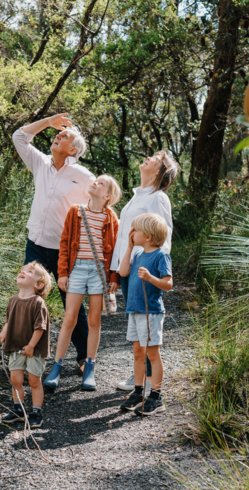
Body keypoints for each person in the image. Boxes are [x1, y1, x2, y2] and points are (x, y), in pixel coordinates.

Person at [12, 114, 95, 373]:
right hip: (35, 244)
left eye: (65, 136)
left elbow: (100, 203)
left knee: (72, 303)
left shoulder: (82, 176)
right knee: (28, 300)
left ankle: (84, 358)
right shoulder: (41, 163)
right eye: (58, 133)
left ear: (73, 150)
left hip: (64, 251)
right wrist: (48, 122)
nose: (57, 135)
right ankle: (27, 355)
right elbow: (20, 137)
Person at [43, 175, 121, 391]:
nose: (95, 182)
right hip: (76, 269)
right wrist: (63, 273)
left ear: (108, 196)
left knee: (95, 320)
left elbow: (115, 250)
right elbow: (65, 242)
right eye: (96, 179)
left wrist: (114, 277)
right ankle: (56, 367)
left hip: (99, 272)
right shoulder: (76, 211)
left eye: (102, 182)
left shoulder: (111, 217)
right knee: (70, 318)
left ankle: (89, 368)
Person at [110, 151, 178, 392]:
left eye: (156, 158)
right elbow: (123, 238)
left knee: (145, 327)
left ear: (161, 171)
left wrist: (152, 269)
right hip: (128, 267)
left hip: (143, 270)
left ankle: (149, 382)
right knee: (136, 326)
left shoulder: (158, 197)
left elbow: (163, 237)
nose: (149, 157)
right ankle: (141, 378)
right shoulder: (137, 197)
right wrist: (116, 270)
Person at [119, 213, 173, 415]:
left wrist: (150, 278)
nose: (132, 233)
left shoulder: (160, 256)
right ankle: (139, 391)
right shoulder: (138, 254)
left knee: (152, 353)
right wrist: (130, 246)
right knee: (138, 353)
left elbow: (168, 284)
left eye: (136, 231)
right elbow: (123, 272)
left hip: (150, 313)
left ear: (148, 237)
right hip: (135, 311)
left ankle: (157, 396)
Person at [0, 261, 52, 428]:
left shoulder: (37, 303)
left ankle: (36, 411)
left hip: (34, 349)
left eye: (29, 271)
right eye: (23, 270)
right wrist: (4, 330)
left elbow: (40, 327)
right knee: (16, 379)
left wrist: (31, 345)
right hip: (15, 345)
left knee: (34, 381)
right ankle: (18, 409)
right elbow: (9, 320)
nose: (23, 272)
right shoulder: (12, 300)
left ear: (38, 284)